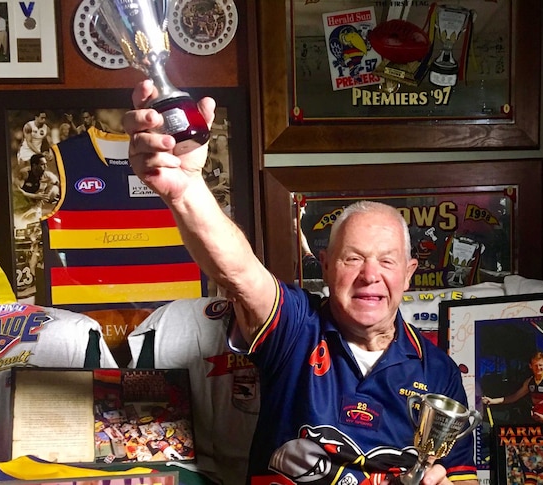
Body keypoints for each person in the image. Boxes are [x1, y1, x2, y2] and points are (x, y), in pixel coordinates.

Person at [122, 79, 477, 485]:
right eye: (353, 258)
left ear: (409, 273)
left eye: (387, 261)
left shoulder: (439, 371)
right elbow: (238, 272)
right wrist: (186, 190)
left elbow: (457, 471)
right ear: (325, 266)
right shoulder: (296, 326)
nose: (370, 275)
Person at [481, 351, 543, 423]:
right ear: (530, 366)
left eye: (540, 365)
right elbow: (514, 397)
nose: (538, 368)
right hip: (538, 421)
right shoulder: (529, 382)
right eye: (535, 365)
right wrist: (493, 401)